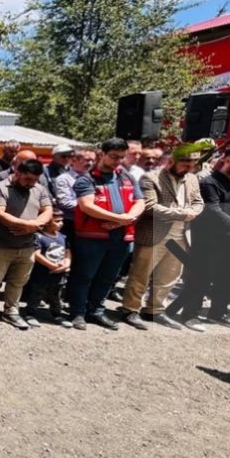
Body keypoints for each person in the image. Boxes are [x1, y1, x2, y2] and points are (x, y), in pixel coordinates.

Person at [120, 145, 203, 330]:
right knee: (141, 274)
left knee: (169, 276)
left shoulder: (192, 179)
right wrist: (182, 214)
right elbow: (150, 206)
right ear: (171, 161)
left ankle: (154, 310)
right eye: (185, 164)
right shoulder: (151, 178)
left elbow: (198, 201)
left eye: (192, 165)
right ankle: (130, 309)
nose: (188, 169)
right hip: (154, 233)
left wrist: (195, 211)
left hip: (181, 235)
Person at [167, 140, 230, 331]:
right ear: (228, 160)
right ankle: (189, 314)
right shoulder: (208, 183)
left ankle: (218, 313)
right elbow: (212, 210)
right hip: (211, 240)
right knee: (201, 280)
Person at [66, 138, 145, 330]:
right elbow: (87, 206)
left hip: (121, 236)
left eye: (121, 157)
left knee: (108, 277)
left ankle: (96, 312)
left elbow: (140, 201)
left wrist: (127, 218)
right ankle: (77, 312)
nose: (118, 161)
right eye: (113, 156)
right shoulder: (87, 179)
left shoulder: (126, 177)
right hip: (92, 237)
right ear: (101, 154)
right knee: (84, 276)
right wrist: (120, 218)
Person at [0, 159, 53, 330]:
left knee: (18, 281)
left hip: (27, 245)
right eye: (28, 179)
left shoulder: (39, 189)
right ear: (17, 173)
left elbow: (48, 210)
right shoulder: (0, 188)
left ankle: (11, 312)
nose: (31, 183)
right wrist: (28, 225)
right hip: (1, 245)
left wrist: (35, 225)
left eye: (35, 180)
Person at [21, 210, 70, 326]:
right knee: (36, 293)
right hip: (41, 272)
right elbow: (36, 254)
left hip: (59, 274)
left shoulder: (63, 237)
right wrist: (51, 265)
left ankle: (57, 314)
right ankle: (30, 313)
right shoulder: (39, 237)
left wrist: (66, 264)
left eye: (62, 221)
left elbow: (67, 252)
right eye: (57, 221)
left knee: (56, 295)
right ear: (47, 222)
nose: (61, 223)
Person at [53, 145, 96, 244]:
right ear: (73, 160)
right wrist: (88, 207)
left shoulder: (94, 178)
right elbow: (65, 202)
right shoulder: (63, 179)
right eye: (87, 160)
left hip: (92, 223)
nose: (90, 163)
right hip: (72, 224)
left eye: (93, 160)